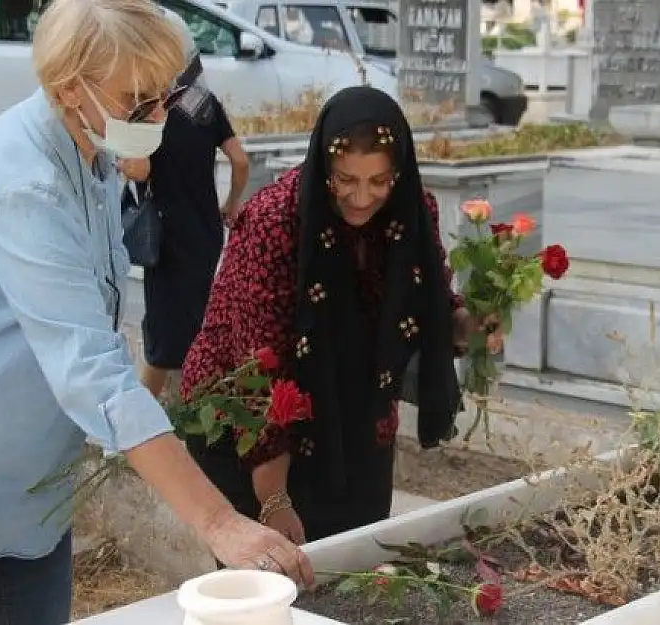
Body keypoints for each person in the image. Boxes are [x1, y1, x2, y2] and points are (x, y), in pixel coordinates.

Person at [0, 1, 311, 623]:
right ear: (70, 87)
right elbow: (92, 370)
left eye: (165, 96)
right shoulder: (23, 184)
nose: (160, 116)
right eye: (138, 100)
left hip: (27, 492)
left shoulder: (91, 153)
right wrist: (219, 521)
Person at [180, 85, 504, 546]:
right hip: (246, 427)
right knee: (269, 589)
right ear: (323, 166)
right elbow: (257, 364)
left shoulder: (411, 212)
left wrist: (468, 326)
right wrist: (273, 498)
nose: (361, 198)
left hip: (354, 421)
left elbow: (430, 302)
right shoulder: (275, 223)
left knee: (355, 568)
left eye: (379, 181)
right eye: (345, 179)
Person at [119, 13, 251, 400]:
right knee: (197, 323)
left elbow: (141, 171)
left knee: (163, 338)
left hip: (165, 236)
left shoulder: (147, 108)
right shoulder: (205, 103)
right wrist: (230, 203)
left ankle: (140, 423)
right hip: (205, 233)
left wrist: (127, 160)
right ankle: (195, 412)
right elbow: (240, 161)